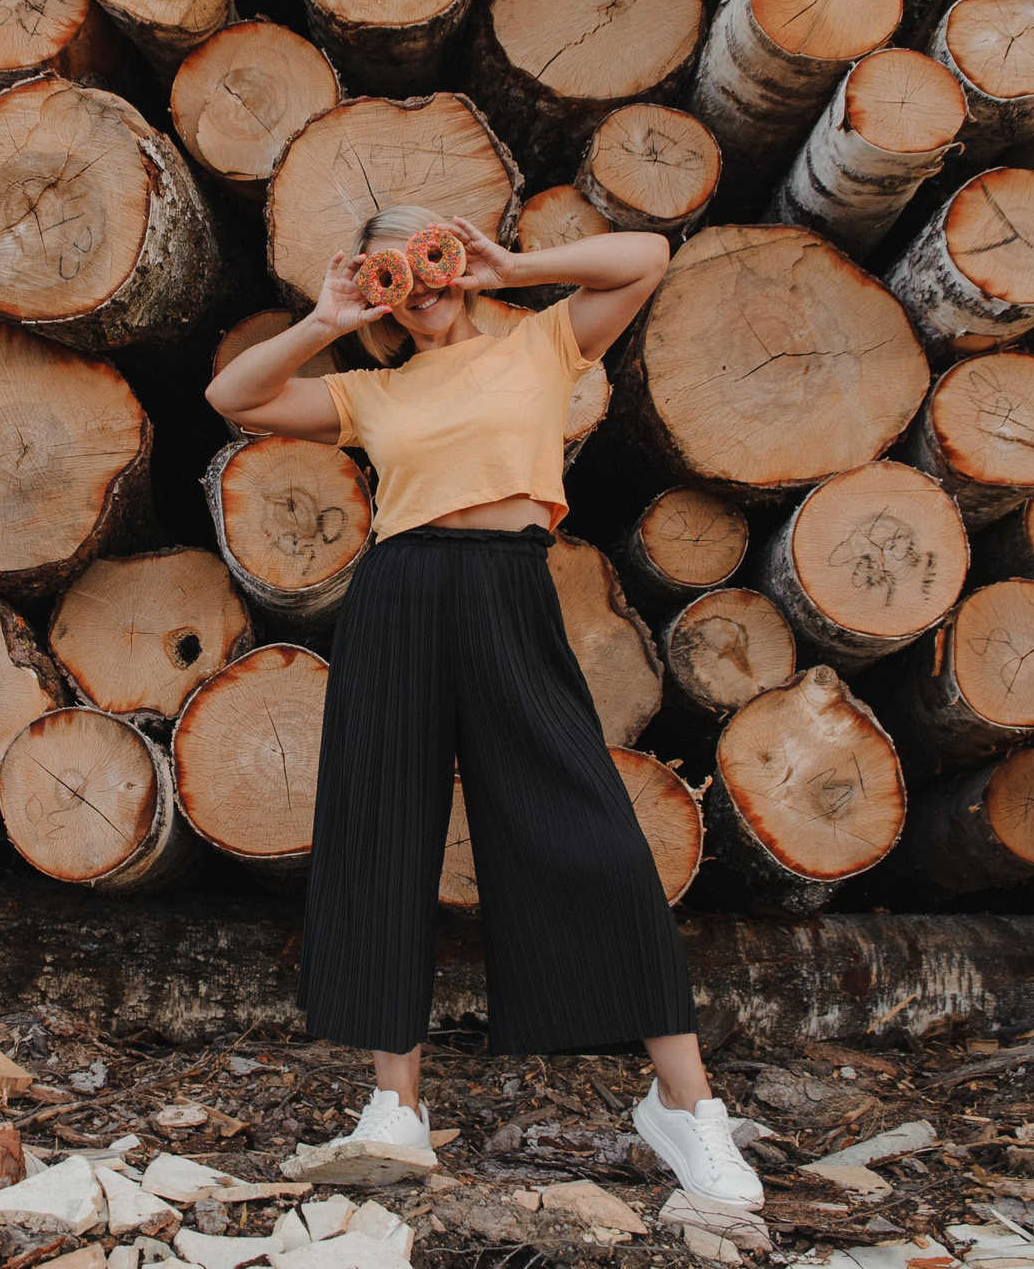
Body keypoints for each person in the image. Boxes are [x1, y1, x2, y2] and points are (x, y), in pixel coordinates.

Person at [204, 203, 762, 1207]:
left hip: (510, 586)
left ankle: (685, 1107)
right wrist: (327, 318)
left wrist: (506, 267)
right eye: (394, 275)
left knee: (590, 826)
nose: (419, 287)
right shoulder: (371, 390)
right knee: (383, 834)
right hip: (399, 596)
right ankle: (395, 1108)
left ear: (454, 255)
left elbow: (646, 256)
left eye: (431, 259)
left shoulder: (542, 342)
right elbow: (232, 394)